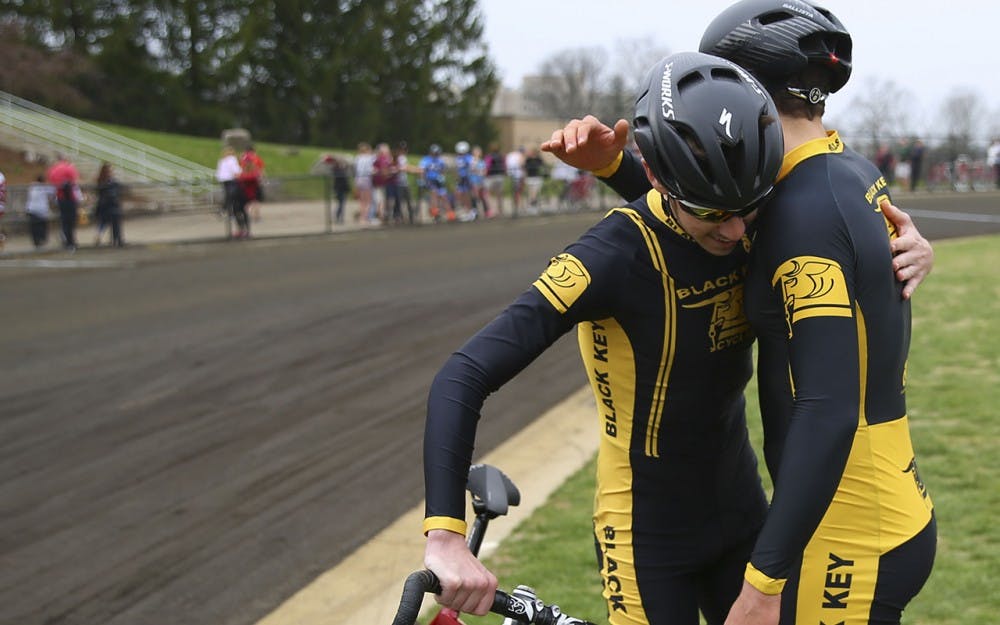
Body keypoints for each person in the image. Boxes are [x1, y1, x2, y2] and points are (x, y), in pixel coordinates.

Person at [542, 3, 937, 623]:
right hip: (872, 507)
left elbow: (827, 408)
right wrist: (616, 169)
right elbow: (714, 216)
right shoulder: (835, 172)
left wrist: (763, 580)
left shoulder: (802, 214)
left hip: (852, 534)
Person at [425, 52, 785, 625]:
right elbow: (462, 375)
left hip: (741, 508)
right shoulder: (605, 259)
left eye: (749, 208)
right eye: (716, 212)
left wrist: (913, 244)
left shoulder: (730, 201)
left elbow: (692, 218)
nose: (738, 229)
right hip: (646, 534)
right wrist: (445, 536)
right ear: (667, 181)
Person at [46, 153, 81, 250]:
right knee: (71, 221)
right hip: (70, 198)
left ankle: (67, 240)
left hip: (60, 198)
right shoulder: (69, 168)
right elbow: (75, 182)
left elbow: (51, 184)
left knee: (64, 220)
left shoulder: (53, 169)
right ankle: (71, 241)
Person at [93, 162, 125, 247]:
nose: (111, 172)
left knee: (112, 222)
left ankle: (116, 240)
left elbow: (118, 189)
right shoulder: (102, 181)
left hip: (112, 205)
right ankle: (113, 239)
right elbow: (101, 192)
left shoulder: (112, 181)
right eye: (110, 170)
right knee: (104, 222)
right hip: (105, 206)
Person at [24, 175, 56, 249]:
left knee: (34, 227)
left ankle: (37, 242)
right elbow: (53, 192)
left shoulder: (32, 186)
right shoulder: (43, 187)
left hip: (31, 209)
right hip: (40, 210)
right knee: (41, 225)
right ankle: (41, 240)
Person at [240, 145, 265, 223]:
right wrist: (262, 179)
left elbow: (240, 171)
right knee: (256, 202)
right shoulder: (256, 158)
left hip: (246, 183)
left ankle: (245, 216)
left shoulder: (242, 158)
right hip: (255, 184)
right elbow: (261, 171)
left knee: (247, 202)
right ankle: (256, 217)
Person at [216, 146, 242, 218]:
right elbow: (236, 170)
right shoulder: (232, 159)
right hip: (231, 179)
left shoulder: (222, 160)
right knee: (231, 197)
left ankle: (226, 211)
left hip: (223, 180)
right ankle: (227, 210)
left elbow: (219, 171)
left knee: (228, 196)